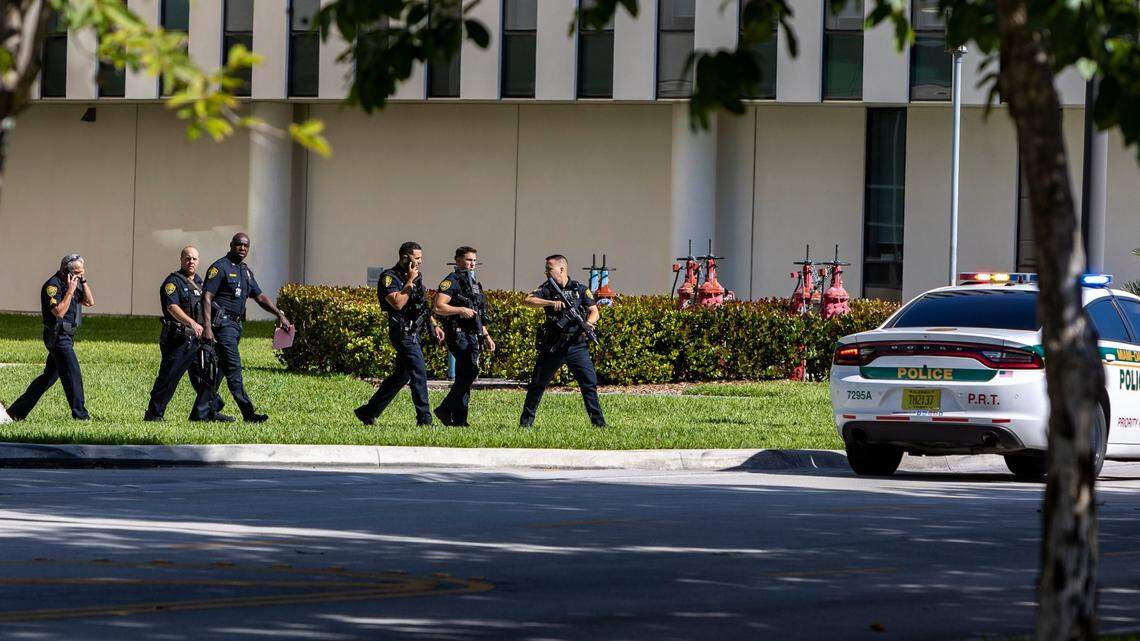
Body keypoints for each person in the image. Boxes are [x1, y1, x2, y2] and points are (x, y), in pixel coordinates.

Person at [201, 233, 291, 423]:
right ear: (231, 245)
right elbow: (206, 297)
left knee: (219, 371)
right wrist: (207, 327)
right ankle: (249, 414)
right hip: (222, 326)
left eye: (246, 246)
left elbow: (260, 297)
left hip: (235, 326)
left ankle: (202, 412)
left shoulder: (245, 272)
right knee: (234, 368)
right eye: (239, 244)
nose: (242, 248)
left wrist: (279, 314)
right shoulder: (220, 268)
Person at [354, 241, 445, 426]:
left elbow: (421, 305)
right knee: (418, 373)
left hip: (415, 332)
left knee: (401, 376)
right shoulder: (389, 277)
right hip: (402, 332)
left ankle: (368, 411)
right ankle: (424, 420)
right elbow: (398, 303)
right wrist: (410, 281)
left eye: (421, 257)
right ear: (405, 257)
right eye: (417, 257)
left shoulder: (416, 276)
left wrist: (434, 324)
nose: (420, 261)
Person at [144, 246, 231, 422]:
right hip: (179, 339)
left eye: (194, 259)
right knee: (169, 377)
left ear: (198, 261)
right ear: (182, 260)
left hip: (199, 340)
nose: (191, 262)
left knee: (205, 377)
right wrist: (192, 323)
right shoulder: (173, 282)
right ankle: (154, 414)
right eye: (188, 258)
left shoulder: (200, 282)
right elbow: (172, 307)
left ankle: (209, 411)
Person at [519, 255, 606, 428]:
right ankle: (525, 424)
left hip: (576, 345)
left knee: (589, 383)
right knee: (538, 384)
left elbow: (594, 311)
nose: (546, 272)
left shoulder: (579, 289)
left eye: (549, 269)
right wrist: (550, 303)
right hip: (553, 345)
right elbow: (528, 300)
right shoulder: (547, 288)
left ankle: (599, 424)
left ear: (561, 269)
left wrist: (588, 323)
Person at [7, 254, 95, 421]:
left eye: (82, 273)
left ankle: (17, 411)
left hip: (67, 336)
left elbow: (90, 302)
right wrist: (70, 290)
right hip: (57, 337)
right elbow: (59, 312)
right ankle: (81, 416)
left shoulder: (76, 282)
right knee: (73, 374)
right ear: (66, 272)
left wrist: (82, 281)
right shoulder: (52, 286)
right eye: (77, 273)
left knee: (48, 378)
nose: (79, 276)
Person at [432, 246, 496, 426]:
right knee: (470, 371)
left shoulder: (474, 284)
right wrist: (460, 309)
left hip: (473, 336)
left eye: (474, 260)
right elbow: (438, 307)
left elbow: (477, 314)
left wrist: (486, 336)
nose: (472, 263)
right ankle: (444, 409)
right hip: (458, 335)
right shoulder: (451, 281)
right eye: (469, 260)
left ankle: (459, 420)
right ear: (458, 260)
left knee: (464, 377)